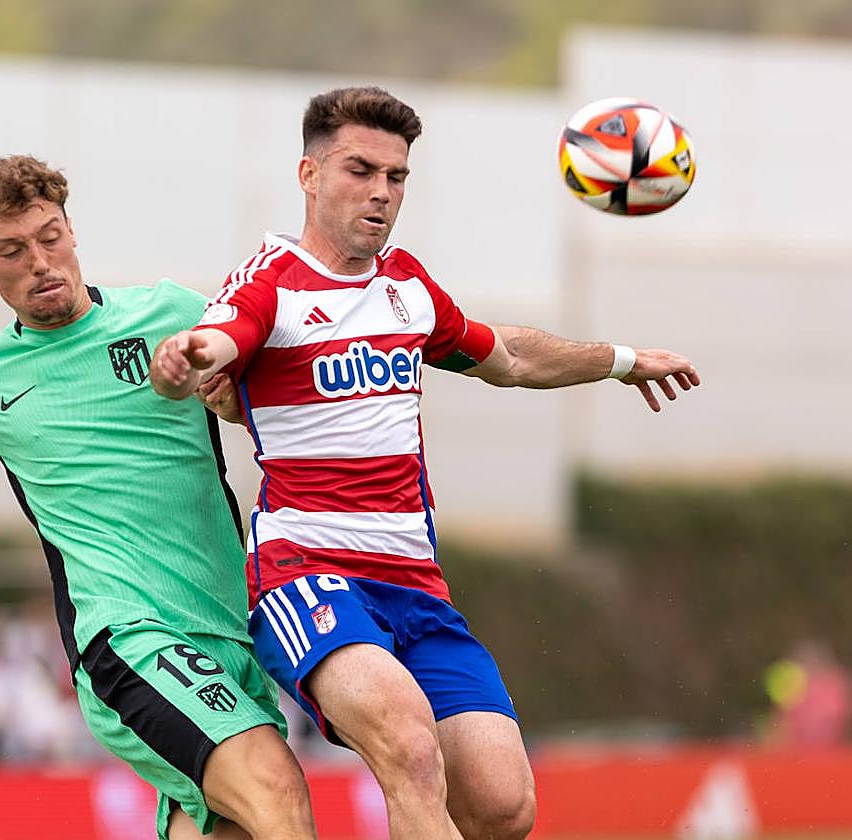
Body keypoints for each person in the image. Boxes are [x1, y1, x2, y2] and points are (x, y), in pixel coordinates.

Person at [150, 87, 701, 839]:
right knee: (409, 749)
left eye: (397, 176)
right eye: (361, 170)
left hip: (415, 582)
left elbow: (508, 357)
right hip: (306, 573)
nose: (382, 192)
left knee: (501, 806)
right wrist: (185, 360)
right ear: (309, 174)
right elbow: (214, 343)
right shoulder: (269, 283)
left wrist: (623, 360)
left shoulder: (407, 285)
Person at [0, 155, 316, 840]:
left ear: (72, 231)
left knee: (240, 825)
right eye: (12, 251)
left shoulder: (173, 314)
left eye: (50, 238)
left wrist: (233, 403)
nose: (40, 262)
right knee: (276, 787)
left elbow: (276, 405)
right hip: (126, 636)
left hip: (231, 627)